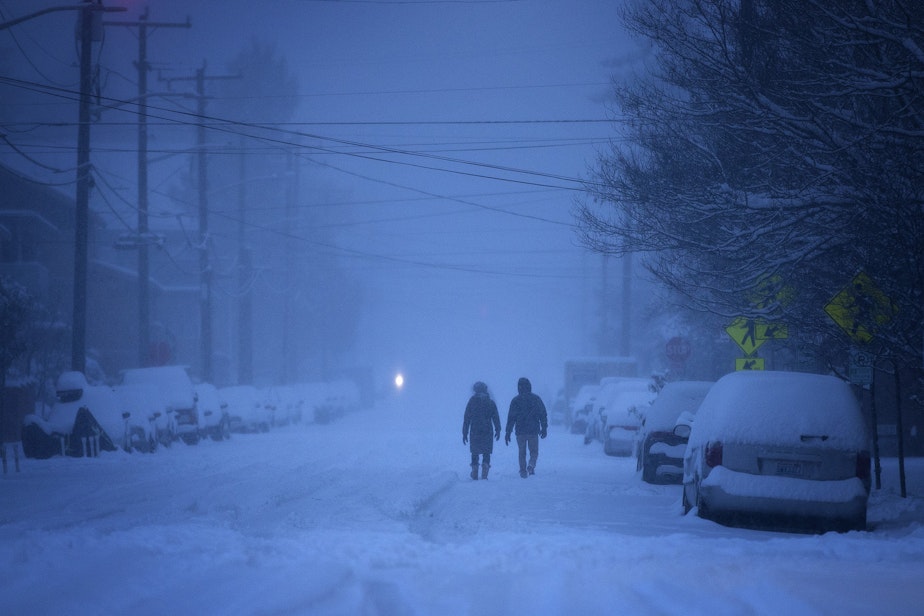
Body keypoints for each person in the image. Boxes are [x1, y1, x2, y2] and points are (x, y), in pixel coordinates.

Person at [505, 377, 548, 478]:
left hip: (520, 431)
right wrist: (544, 427)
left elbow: (511, 418)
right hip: (533, 430)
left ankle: (523, 471)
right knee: (534, 451)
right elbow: (543, 414)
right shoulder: (536, 399)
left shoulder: (515, 401)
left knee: (522, 452)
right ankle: (531, 464)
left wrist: (508, 432)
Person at [462, 381, 501, 480]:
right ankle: (485, 472)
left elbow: (467, 418)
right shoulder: (490, 402)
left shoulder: (472, 401)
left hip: (475, 430)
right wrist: (498, 429)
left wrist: (465, 432)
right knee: (486, 452)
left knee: (475, 452)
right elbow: (495, 417)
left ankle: (474, 472)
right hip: (487, 431)